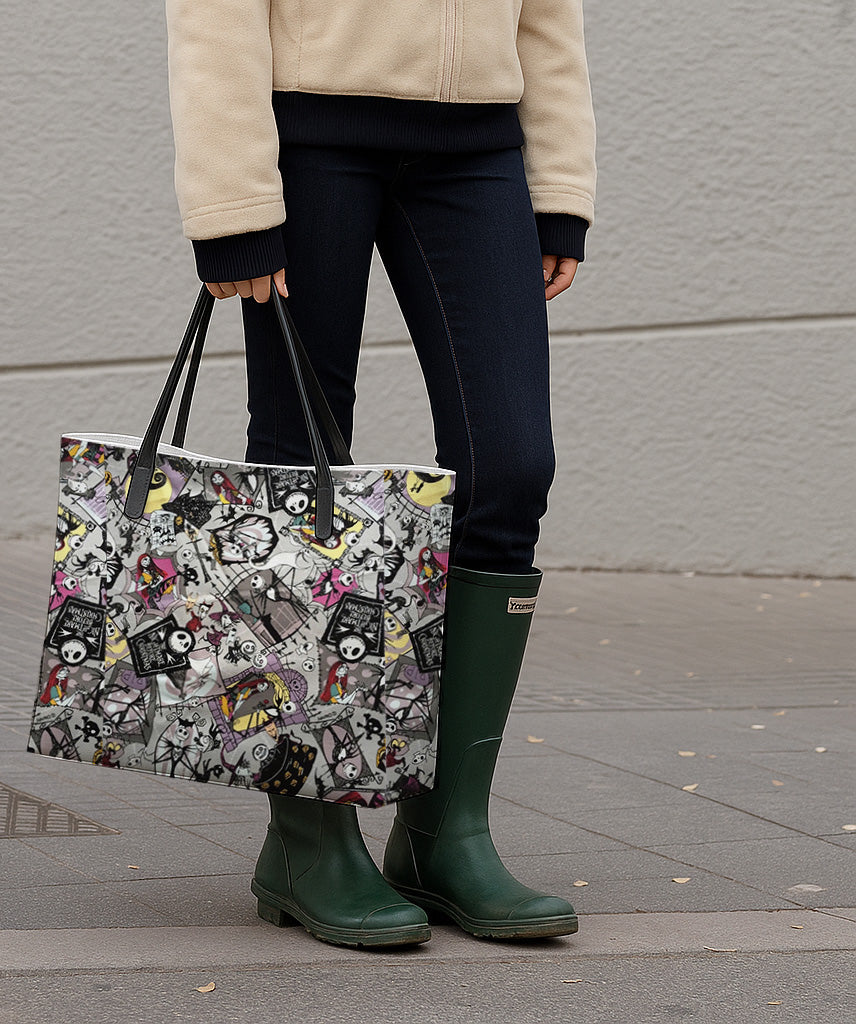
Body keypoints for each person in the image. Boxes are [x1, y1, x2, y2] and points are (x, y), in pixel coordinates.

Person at [164, 0, 596, 949]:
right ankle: (307, 837)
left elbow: (549, 15)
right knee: (300, 476)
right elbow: (213, 15)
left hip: (480, 150)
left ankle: (446, 833)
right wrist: (233, 201)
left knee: (513, 465)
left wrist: (558, 179)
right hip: (308, 139)